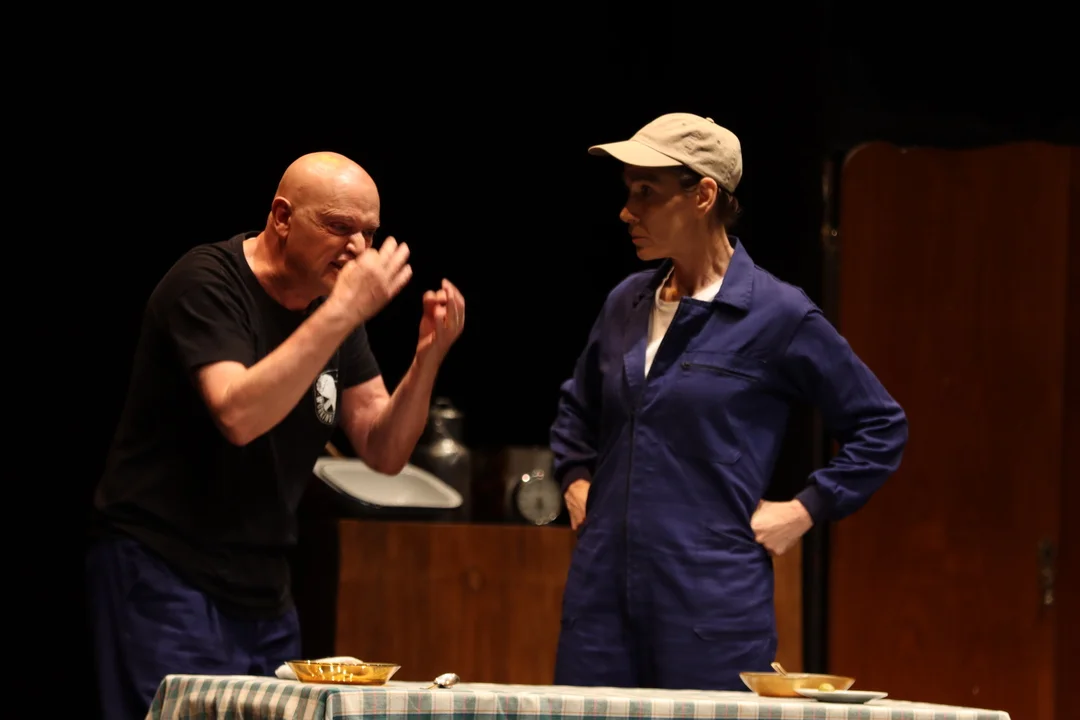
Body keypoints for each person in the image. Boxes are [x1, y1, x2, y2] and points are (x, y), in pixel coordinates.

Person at [86, 151, 465, 720]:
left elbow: (383, 448)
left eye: (369, 233)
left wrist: (425, 361)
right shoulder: (208, 282)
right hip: (165, 571)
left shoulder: (332, 311)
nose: (358, 249)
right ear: (283, 217)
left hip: (264, 588)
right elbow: (238, 415)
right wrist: (341, 312)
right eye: (339, 227)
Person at [549, 113, 907, 691]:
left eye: (646, 192)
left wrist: (804, 509)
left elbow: (880, 425)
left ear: (704, 196)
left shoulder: (778, 314)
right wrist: (574, 478)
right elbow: (577, 408)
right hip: (601, 607)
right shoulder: (626, 303)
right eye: (628, 192)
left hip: (710, 609)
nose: (627, 212)